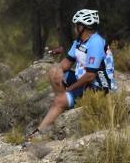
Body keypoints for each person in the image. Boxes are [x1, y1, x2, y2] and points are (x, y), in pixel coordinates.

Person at [25, 9, 116, 141]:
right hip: (83, 81)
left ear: (83, 27)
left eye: (76, 25)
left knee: (59, 100)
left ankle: (38, 133)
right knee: (53, 72)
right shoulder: (79, 42)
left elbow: (91, 76)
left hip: (99, 88)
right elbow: (65, 64)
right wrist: (59, 70)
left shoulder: (96, 42)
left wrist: (69, 89)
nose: (74, 28)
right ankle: (63, 105)